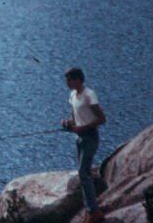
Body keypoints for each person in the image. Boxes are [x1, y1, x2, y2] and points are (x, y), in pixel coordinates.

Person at [60, 67, 106, 223]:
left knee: (83, 173)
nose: (67, 83)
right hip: (79, 138)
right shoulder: (73, 95)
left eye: (70, 80)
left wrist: (82, 128)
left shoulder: (89, 95)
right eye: (67, 80)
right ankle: (90, 209)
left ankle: (94, 211)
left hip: (90, 137)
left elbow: (101, 119)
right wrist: (68, 123)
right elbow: (75, 118)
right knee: (84, 174)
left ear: (78, 80)